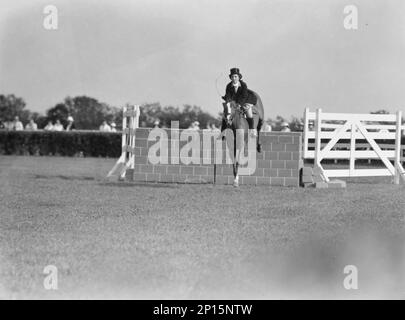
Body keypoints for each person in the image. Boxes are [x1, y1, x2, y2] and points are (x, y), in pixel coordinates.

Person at [222, 67, 257, 137]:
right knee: (225, 113)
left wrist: (239, 104)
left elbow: (244, 96)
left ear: (238, 77)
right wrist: (227, 100)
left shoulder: (243, 85)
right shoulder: (228, 86)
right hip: (234, 102)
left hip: (246, 100)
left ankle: (252, 130)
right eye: (232, 77)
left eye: (235, 76)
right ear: (231, 78)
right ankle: (223, 132)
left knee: (248, 111)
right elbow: (228, 96)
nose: (234, 78)